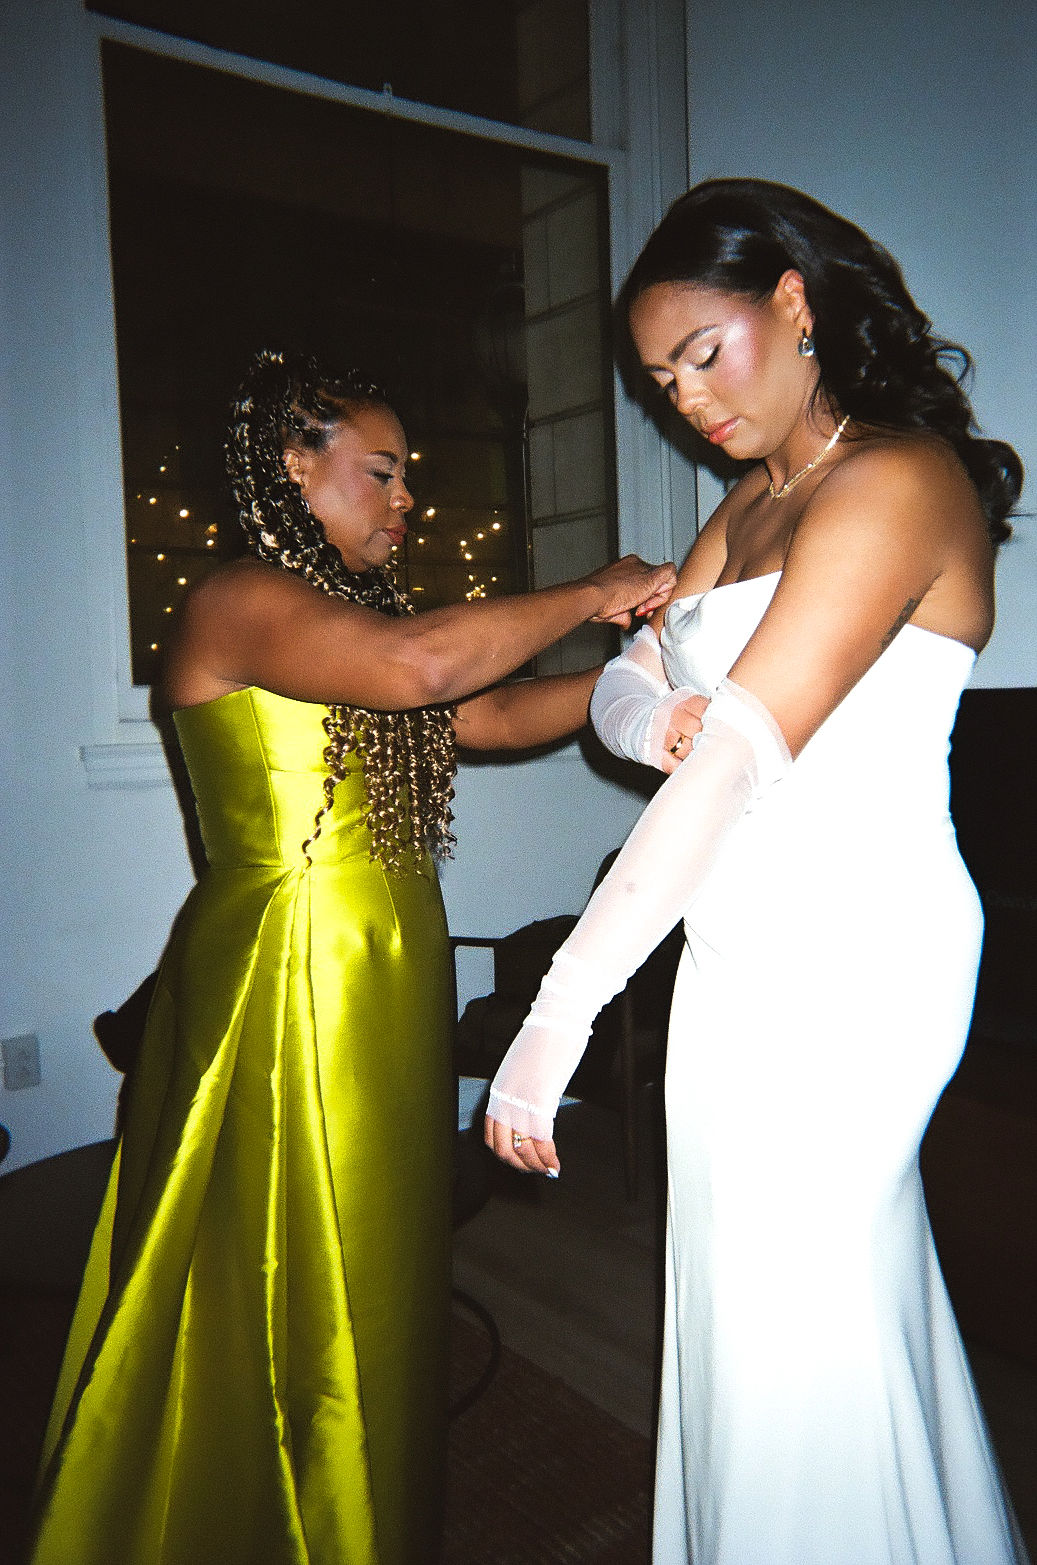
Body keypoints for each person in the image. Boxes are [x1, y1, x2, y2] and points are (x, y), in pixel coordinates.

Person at [27, 348, 675, 1565]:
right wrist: (594, 588)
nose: (404, 500)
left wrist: (641, 679)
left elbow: (478, 714)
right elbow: (423, 669)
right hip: (292, 961)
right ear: (293, 464)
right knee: (275, 1242)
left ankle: (356, 1486)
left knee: (374, 1235)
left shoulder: (345, 620)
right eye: (380, 473)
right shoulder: (238, 596)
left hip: (377, 957)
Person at [485, 179, 1028, 1564]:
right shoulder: (741, 510)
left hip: (858, 948)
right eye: (661, 378)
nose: (685, 398)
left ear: (793, 302)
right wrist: (642, 707)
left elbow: (727, 761)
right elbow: (625, 691)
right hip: (729, 941)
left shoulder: (901, 479)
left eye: (702, 354)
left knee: (804, 1305)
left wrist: (559, 1014)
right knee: (743, 1299)